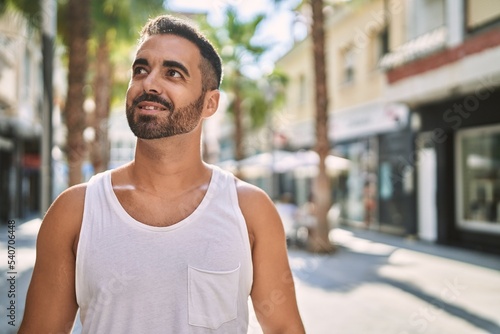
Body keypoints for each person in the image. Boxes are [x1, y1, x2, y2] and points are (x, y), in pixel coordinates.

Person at [19, 15, 304, 334]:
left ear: (210, 103)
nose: (149, 83)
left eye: (173, 73)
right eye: (141, 69)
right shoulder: (74, 210)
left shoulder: (250, 210)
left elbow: (285, 328)